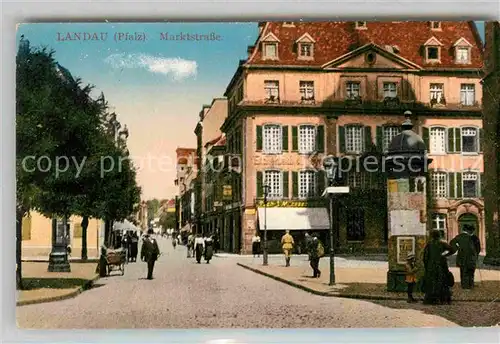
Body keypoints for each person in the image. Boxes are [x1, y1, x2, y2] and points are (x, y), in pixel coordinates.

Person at [423, 230, 456, 305]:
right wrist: (444, 255)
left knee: (431, 283)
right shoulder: (442, 243)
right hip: (441, 265)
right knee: (443, 282)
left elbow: (425, 257)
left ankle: (432, 300)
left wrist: (426, 265)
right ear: (439, 236)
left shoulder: (429, 244)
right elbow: (453, 250)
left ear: (432, 236)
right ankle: (443, 299)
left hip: (431, 266)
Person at [450, 224, 481, 289]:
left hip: (462, 258)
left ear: (463, 230)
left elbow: (452, 243)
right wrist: (476, 255)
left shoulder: (459, 237)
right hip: (472, 258)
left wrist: (457, 248)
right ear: (469, 231)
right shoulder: (474, 238)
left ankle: (465, 286)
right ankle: (471, 285)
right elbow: (478, 248)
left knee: (463, 272)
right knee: (471, 272)